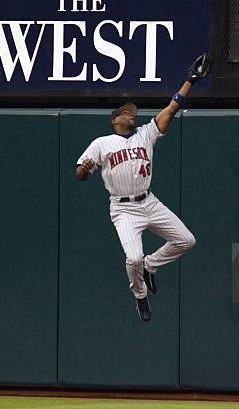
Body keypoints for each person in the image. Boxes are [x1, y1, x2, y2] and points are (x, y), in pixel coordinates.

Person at [75, 54, 211, 322]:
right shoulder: (102, 143)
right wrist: (85, 167)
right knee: (133, 258)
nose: (131, 114)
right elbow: (80, 174)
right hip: (123, 209)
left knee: (186, 240)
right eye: (126, 112)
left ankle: (152, 266)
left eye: (133, 112)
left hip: (148, 201)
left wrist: (190, 80)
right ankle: (140, 295)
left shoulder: (145, 133)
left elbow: (172, 108)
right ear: (115, 120)